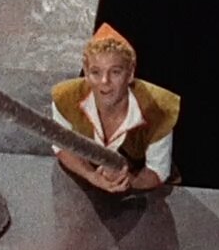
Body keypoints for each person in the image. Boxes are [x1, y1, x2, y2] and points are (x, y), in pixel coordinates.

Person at [51, 23, 180, 193]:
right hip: (85, 184)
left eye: (115, 72)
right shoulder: (66, 98)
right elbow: (62, 146)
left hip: (141, 190)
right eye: (96, 72)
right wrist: (91, 175)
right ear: (87, 74)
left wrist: (126, 181)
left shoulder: (158, 109)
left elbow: (157, 171)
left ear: (130, 73)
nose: (105, 81)